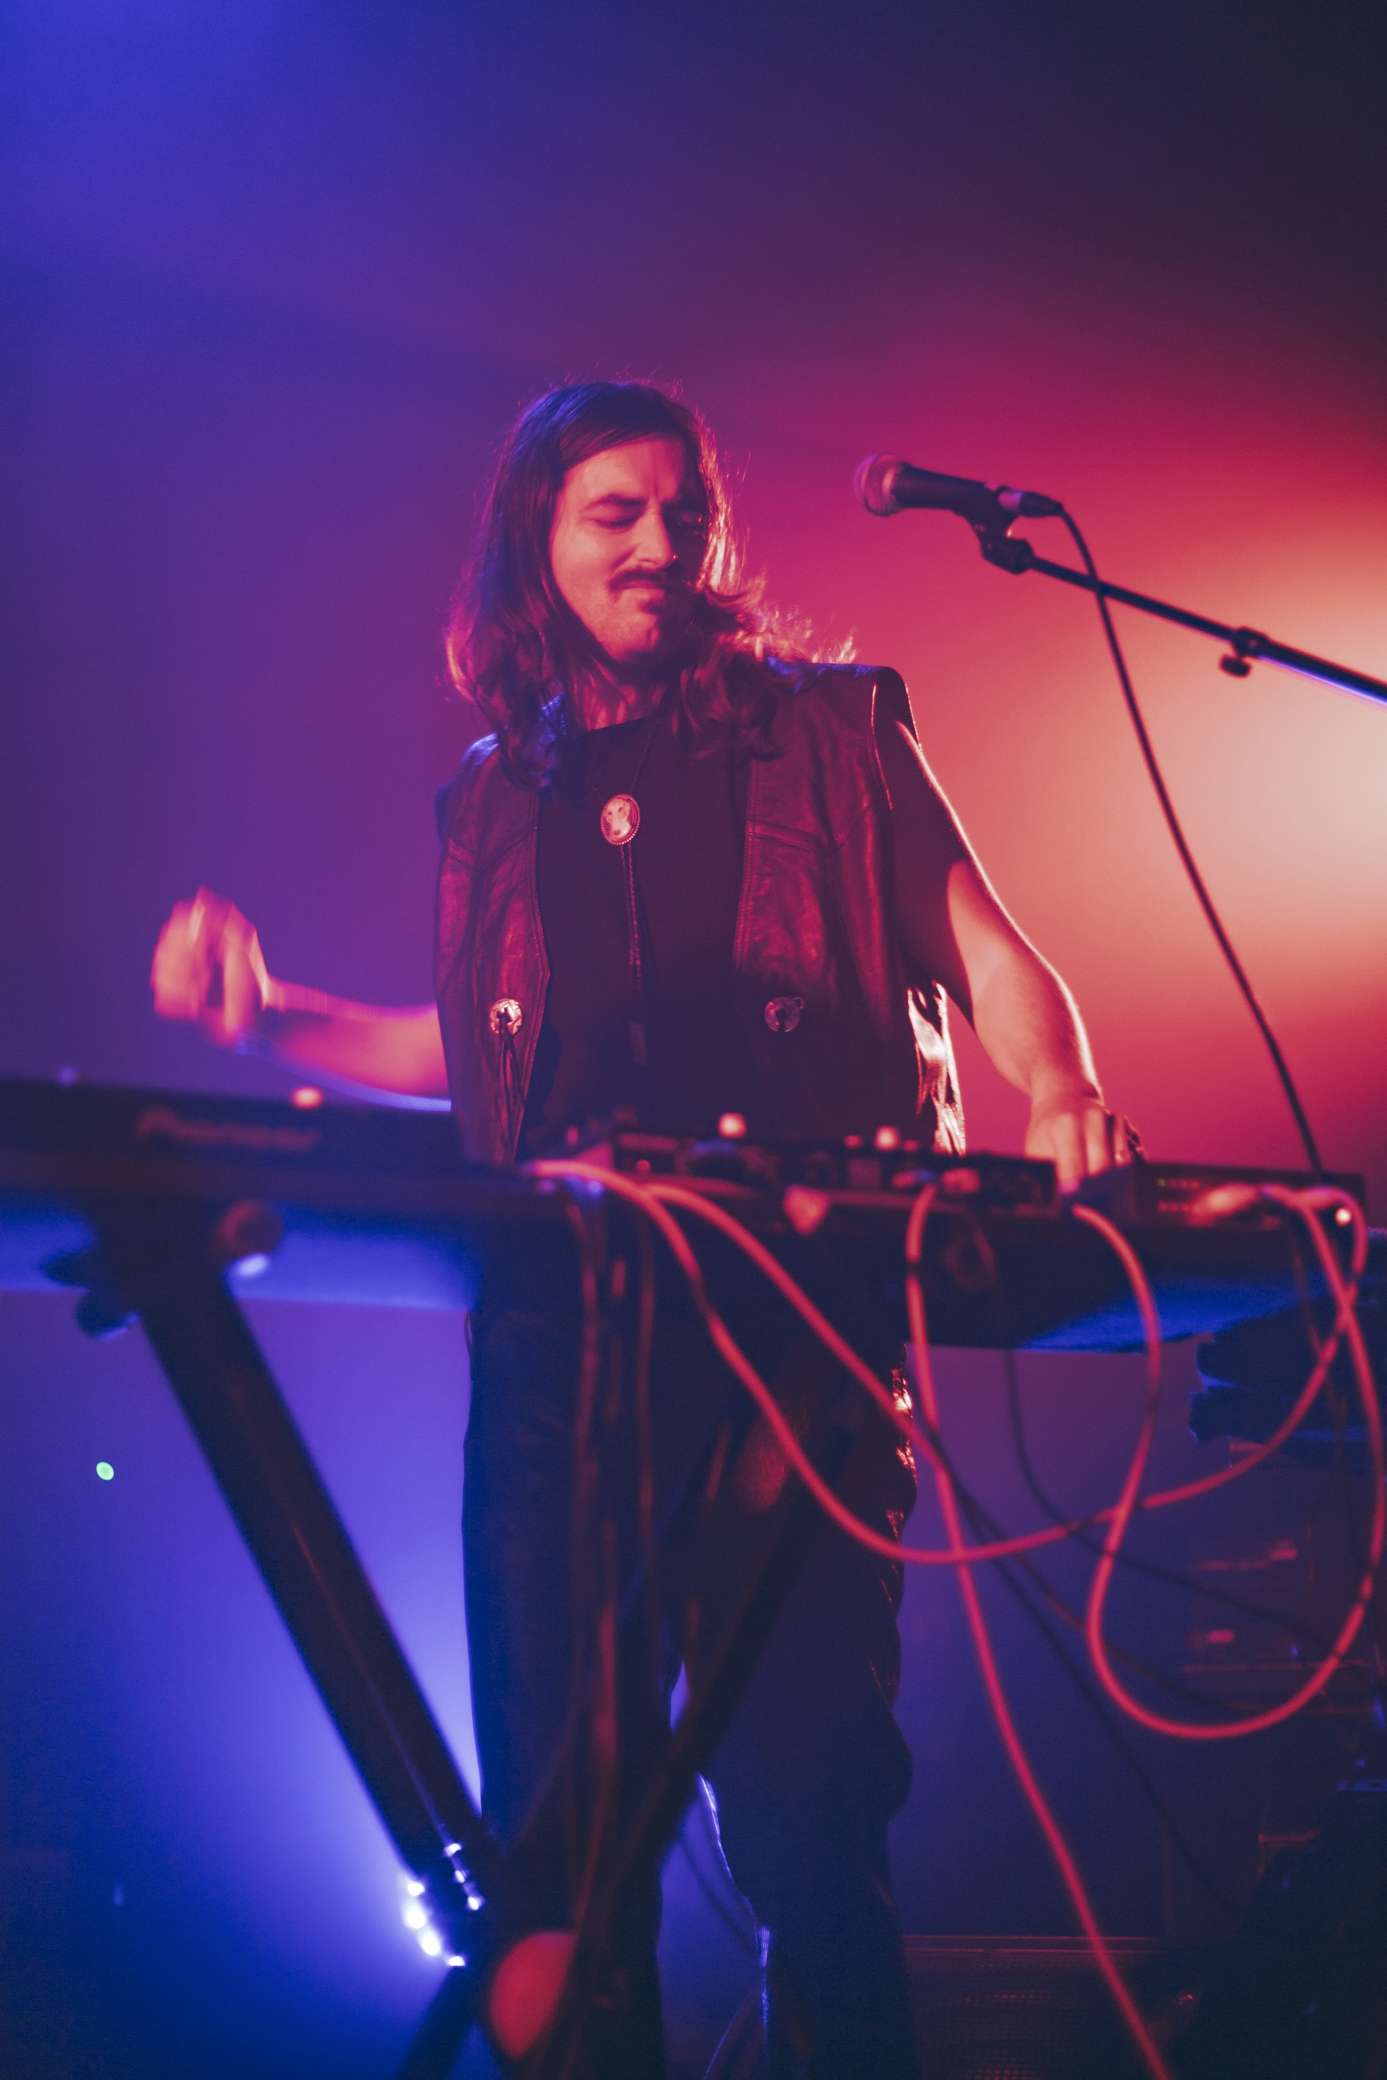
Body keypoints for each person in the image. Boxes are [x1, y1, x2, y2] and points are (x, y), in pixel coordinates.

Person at [151, 380, 1130, 2076]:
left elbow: (985, 950)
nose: (661, 544)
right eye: (617, 514)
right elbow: (477, 1052)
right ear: (535, 543)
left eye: (685, 513)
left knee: (809, 1802)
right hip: (562, 1352)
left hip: (795, 1337)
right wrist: (270, 1017)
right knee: (555, 1846)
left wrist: (1063, 1089)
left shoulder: (834, 734)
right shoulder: (491, 802)